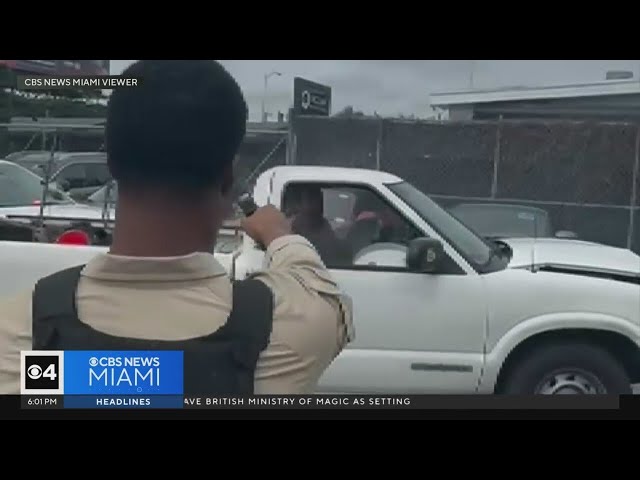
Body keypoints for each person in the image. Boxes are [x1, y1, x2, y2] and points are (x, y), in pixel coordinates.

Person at [0, 60, 353, 395]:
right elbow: (320, 288)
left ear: (111, 162)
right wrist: (278, 232)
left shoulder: (19, 334)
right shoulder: (289, 331)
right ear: (228, 176)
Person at [289, 185, 352, 266]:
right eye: (308, 200)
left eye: (313, 200)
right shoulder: (292, 229)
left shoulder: (327, 234)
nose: (311, 204)